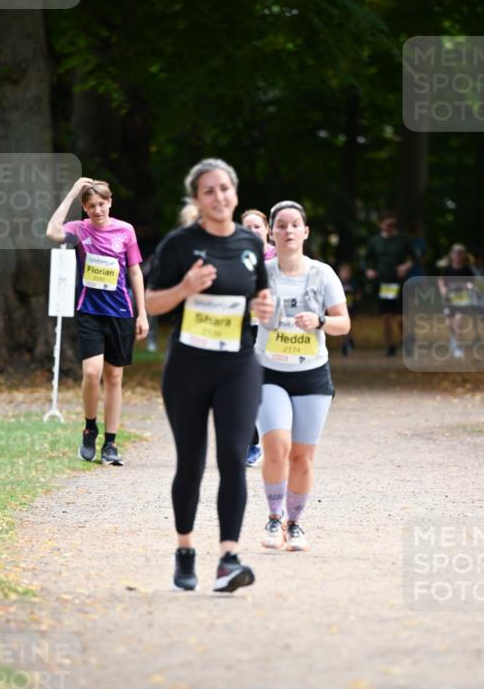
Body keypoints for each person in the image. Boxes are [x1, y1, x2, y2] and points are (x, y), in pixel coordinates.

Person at [145, 158, 273, 593]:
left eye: (225, 189)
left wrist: (265, 307)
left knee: (234, 458)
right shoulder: (181, 245)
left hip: (238, 364)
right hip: (188, 366)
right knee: (192, 462)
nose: (219, 197)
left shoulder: (250, 244)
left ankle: (228, 559)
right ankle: (185, 550)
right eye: (209, 191)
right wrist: (184, 289)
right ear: (197, 200)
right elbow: (147, 302)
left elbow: (259, 296)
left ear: (235, 193)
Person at [256, 200, 350, 552]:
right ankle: (274, 517)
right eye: (281, 225)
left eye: (295, 225)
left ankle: (295, 524)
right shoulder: (260, 275)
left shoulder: (322, 273)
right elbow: (239, 314)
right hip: (268, 372)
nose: (289, 231)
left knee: (302, 457)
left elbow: (344, 323)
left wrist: (320, 321)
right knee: (277, 447)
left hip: (311, 375)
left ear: (305, 232)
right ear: (271, 233)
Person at [46, 178, 148, 464]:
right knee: (92, 373)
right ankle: (90, 428)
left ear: (110, 202)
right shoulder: (79, 230)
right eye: (90, 206)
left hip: (121, 312)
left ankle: (111, 444)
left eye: (101, 204)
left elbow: (135, 272)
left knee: (114, 377)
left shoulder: (125, 230)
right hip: (90, 311)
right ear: (84, 207)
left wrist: (142, 313)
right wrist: (72, 191)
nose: (97, 210)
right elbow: (52, 231)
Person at [241, 209, 276, 468]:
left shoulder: (278, 256)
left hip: (272, 329)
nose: (252, 232)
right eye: (247, 228)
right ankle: (250, 443)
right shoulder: (236, 255)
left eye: (257, 227)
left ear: (267, 230)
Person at [365, 210, 414, 356]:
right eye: (387, 224)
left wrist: (406, 266)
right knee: (385, 316)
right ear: (381, 225)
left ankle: (406, 340)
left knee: (400, 316)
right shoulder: (375, 241)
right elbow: (366, 259)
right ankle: (389, 345)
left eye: (393, 224)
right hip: (383, 282)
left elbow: (415, 258)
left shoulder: (403, 239)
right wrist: (369, 270)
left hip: (398, 282)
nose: (390, 227)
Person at [437, 243, 475, 360]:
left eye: (460, 253)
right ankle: (453, 338)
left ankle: (459, 348)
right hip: (449, 299)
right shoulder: (447, 269)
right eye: (456, 253)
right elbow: (440, 280)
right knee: (450, 324)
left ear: (464, 255)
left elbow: (472, 283)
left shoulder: (467, 270)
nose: (458, 255)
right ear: (452, 255)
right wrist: (443, 289)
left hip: (462, 299)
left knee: (458, 322)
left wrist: (467, 287)